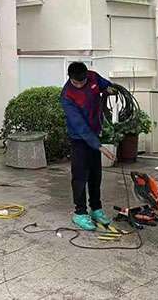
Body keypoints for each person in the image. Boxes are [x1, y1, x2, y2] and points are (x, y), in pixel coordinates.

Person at [61, 61, 117, 231]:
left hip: (95, 132)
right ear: (70, 78)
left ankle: (96, 209)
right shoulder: (67, 95)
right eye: (76, 82)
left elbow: (105, 85)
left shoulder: (92, 77)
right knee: (80, 176)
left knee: (95, 175)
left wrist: (109, 89)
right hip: (79, 138)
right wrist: (100, 147)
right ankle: (79, 212)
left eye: (82, 82)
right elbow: (80, 126)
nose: (80, 85)